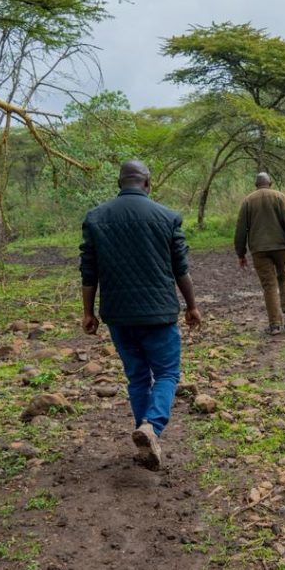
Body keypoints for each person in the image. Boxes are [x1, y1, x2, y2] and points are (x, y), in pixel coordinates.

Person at [79, 160, 202, 471]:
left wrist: (87, 312)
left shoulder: (95, 218)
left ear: (119, 184)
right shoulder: (167, 217)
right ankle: (152, 427)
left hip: (118, 315)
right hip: (159, 313)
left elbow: (89, 272)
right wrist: (192, 306)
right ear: (147, 183)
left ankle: (145, 434)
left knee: (136, 377)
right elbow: (181, 269)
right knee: (167, 374)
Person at [234, 173, 285, 334]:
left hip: (259, 249)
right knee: (284, 276)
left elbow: (240, 229)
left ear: (256, 184)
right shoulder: (280, 197)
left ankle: (274, 325)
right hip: (282, 246)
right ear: (270, 183)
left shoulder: (248, 201)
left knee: (269, 285)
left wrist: (241, 253)